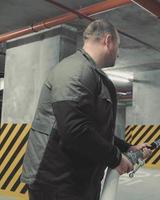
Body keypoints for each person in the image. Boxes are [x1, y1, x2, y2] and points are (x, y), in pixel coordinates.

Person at [21, 19, 151, 200]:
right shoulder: (75, 70)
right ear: (108, 41)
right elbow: (74, 130)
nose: (118, 53)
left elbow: (93, 131)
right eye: (118, 46)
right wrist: (116, 159)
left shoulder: (89, 72)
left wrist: (127, 147)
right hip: (56, 183)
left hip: (76, 181)